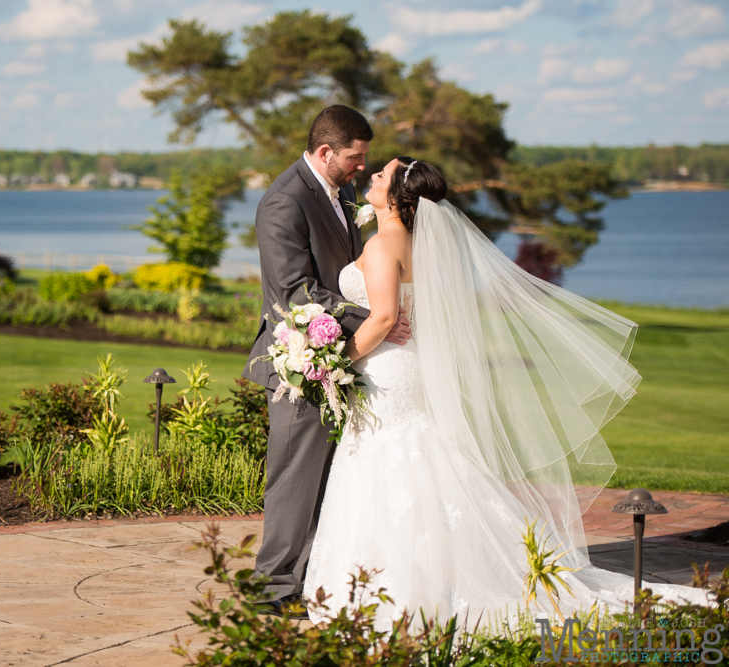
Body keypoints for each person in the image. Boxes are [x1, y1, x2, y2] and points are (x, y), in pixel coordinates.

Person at [303, 157, 711, 628]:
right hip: (408, 368)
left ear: (397, 197)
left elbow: (382, 318)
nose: (371, 176)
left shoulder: (380, 246)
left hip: (386, 371)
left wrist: (332, 362)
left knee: (385, 461)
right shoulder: (419, 245)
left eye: (381, 175)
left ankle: (390, 589)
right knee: (420, 459)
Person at [242, 106, 411, 617]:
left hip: (343, 359)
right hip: (302, 362)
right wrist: (373, 317)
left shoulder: (342, 193)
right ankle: (271, 590)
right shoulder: (284, 202)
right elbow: (297, 293)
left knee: (326, 478)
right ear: (325, 152)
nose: (363, 167)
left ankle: (310, 577)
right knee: (294, 476)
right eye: (356, 158)